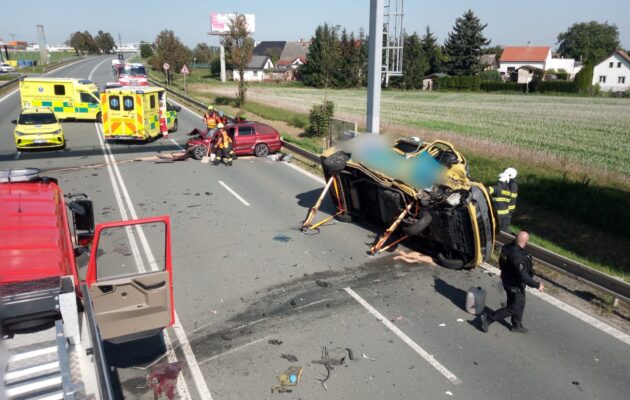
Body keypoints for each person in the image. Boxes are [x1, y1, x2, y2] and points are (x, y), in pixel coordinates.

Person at [481, 231, 544, 333]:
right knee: (514, 307)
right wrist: (537, 285)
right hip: (514, 283)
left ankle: (516, 324)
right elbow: (523, 275)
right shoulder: (517, 256)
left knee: (520, 302)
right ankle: (489, 318)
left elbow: (501, 262)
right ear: (525, 242)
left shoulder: (507, 247)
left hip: (507, 279)